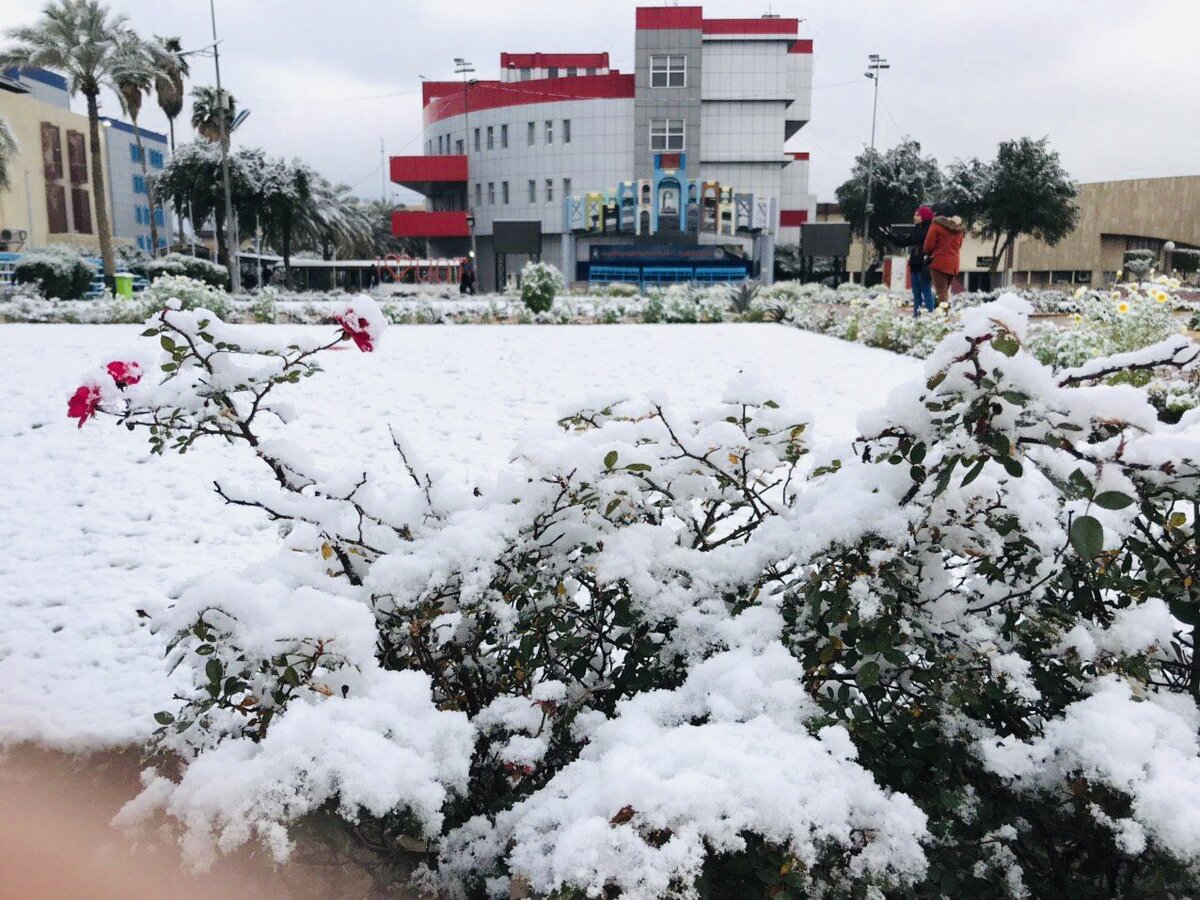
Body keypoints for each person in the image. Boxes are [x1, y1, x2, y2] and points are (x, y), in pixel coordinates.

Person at [889, 206, 936, 317]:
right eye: (915, 214)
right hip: (914, 263)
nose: (914, 217)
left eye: (917, 215)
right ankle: (917, 316)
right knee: (916, 293)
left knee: (926, 290)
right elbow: (905, 242)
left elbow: (932, 245)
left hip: (924, 264)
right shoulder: (917, 228)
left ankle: (931, 315)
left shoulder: (930, 228)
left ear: (924, 216)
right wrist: (889, 236)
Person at [923, 213, 966, 305]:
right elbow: (959, 245)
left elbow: (928, 246)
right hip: (953, 265)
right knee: (944, 291)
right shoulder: (959, 229)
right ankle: (942, 313)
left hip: (939, 263)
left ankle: (942, 316)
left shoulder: (937, 225)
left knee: (941, 291)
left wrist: (927, 252)